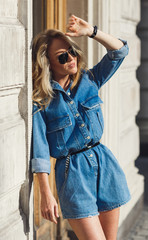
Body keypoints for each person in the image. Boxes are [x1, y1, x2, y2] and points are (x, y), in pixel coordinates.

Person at [31, 15, 131, 240]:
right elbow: (39, 153)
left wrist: (91, 32)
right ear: (47, 63)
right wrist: (46, 194)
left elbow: (120, 52)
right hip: (72, 174)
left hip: (104, 165)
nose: (71, 58)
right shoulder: (41, 101)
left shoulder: (89, 80)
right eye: (63, 56)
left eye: (72, 51)